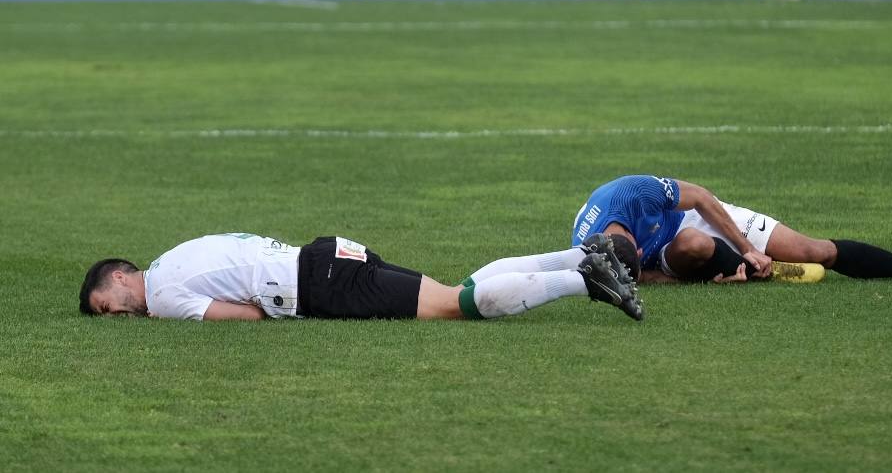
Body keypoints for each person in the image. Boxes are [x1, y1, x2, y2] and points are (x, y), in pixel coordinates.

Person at [79, 232, 642, 322]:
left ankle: (585, 280)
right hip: (326, 253)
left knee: (458, 307)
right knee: (457, 291)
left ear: (121, 279)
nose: (118, 316)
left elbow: (246, 317)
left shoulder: (163, 298)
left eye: (108, 307)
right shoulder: (172, 257)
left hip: (319, 284)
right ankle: (578, 256)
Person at [570, 175, 892, 284]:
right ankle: (745, 272)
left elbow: (701, 198)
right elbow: (637, 280)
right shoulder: (589, 253)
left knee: (816, 252)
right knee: (694, 245)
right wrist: (679, 280)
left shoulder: (633, 192)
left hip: (689, 218)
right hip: (677, 251)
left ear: (634, 243)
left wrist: (747, 247)